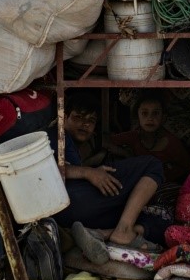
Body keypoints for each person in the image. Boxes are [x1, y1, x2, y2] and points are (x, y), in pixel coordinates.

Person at [48, 90, 167, 256]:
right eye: (78, 117)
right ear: (64, 117)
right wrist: (88, 172)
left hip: (77, 210)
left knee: (160, 217)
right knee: (152, 164)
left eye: (91, 121)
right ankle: (123, 230)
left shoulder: (77, 146)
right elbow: (45, 170)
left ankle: (103, 234)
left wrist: (93, 166)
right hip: (70, 200)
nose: (85, 124)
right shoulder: (56, 135)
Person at [108, 90, 190, 184]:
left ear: (163, 117)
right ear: (137, 116)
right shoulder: (134, 136)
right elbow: (106, 141)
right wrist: (125, 153)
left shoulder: (171, 143)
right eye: (144, 113)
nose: (150, 118)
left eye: (156, 113)